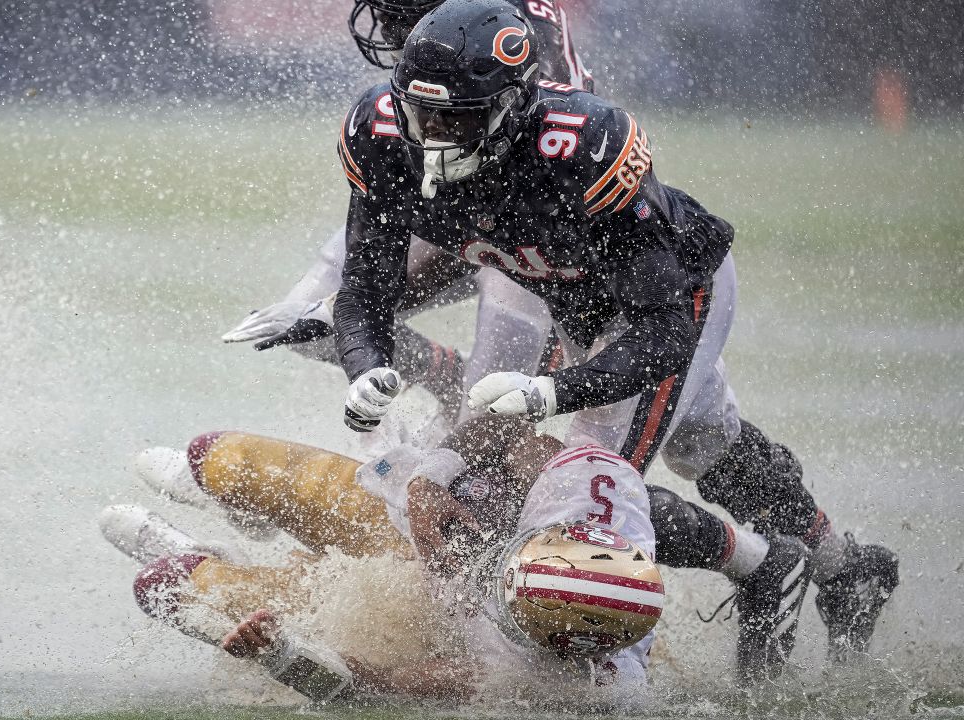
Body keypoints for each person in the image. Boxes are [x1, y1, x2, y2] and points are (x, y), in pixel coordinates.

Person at [328, 0, 896, 666]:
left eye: (456, 119)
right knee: (702, 443)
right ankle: (841, 567)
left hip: (673, 299)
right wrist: (363, 362)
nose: (435, 135)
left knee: (582, 477)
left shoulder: (581, 146)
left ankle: (739, 579)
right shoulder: (384, 132)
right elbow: (364, 291)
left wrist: (554, 392)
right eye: (423, 115)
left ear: (510, 107)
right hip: (573, 300)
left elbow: (661, 333)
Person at [109, 415, 812, 682]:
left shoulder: (548, 685)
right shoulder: (596, 489)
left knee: (169, 587)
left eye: (522, 608)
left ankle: (214, 557)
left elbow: (374, 690)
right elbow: (506, 430)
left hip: (421, 617)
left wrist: (284, 656)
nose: (502, 584)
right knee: (217, 458)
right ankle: (244, 512)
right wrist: (437, 477)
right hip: (418, 522)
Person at [222, 0, 594, 420]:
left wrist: (357, 301)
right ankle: (443, 374)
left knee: (485, 415)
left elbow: (489, 230)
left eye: (398, 12)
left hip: (534, 225)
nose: (385, 26)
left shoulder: (512, 34)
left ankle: (479, 435)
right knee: (300, 323)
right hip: (445, 191)